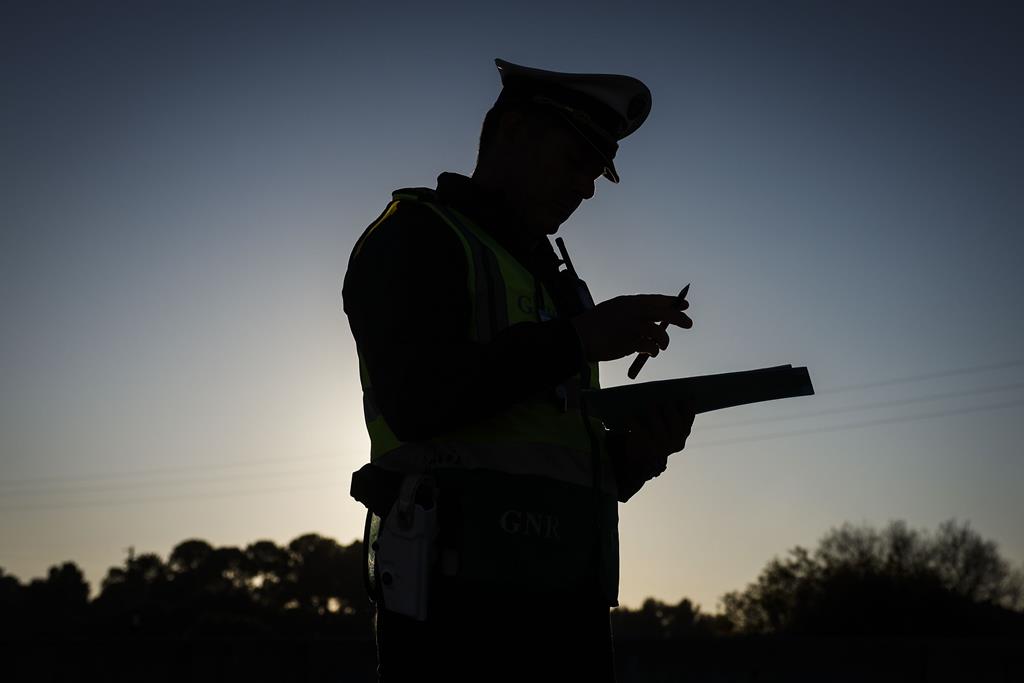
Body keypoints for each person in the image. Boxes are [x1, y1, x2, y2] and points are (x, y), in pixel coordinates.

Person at [343, 58, 696, 683]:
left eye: (597, 172)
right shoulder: (417, 236)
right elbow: (420, 401)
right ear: (511, 135)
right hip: (456, 614)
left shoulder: (557, 285)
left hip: (567, 608)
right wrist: (580, 337)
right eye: (575, 160)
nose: (586, 188)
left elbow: (543, 450)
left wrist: (635, 458)